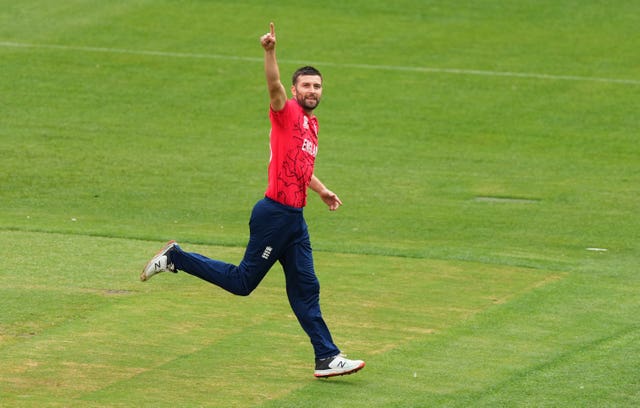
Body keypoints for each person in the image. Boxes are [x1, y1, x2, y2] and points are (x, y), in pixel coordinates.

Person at [140, 22, 365, 379]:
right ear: (295, 89)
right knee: (243, 282)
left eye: (317, 86)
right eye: (305, 85)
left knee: (306, 288)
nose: (312, 90)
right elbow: (273, 85)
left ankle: (326, 357)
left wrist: (321, 190)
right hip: (274, 216)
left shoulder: (312, 124)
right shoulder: (285, 111)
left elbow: (299, 166)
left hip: (295, 220)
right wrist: (270, 51)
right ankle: (176, 257)